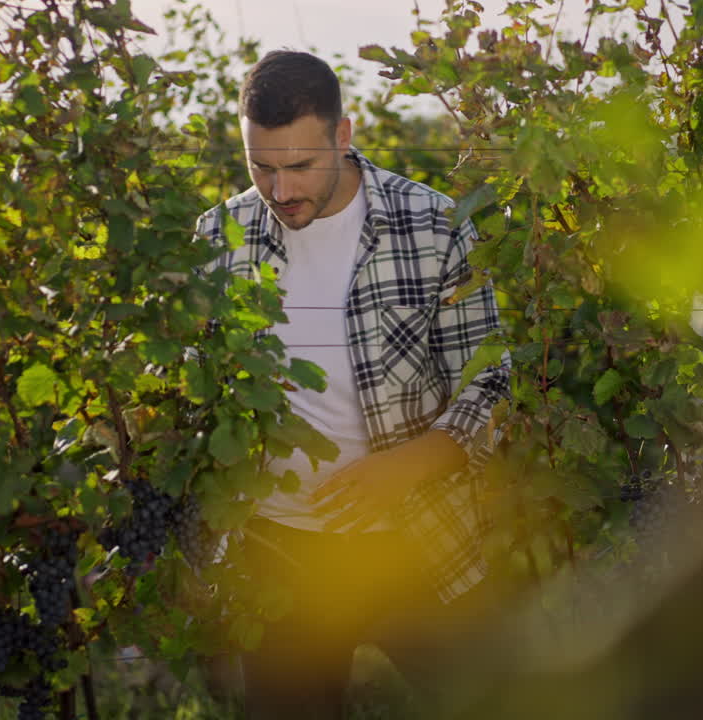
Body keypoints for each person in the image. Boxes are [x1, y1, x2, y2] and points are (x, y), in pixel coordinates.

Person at [193, 49, 510, 719]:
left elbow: (489, 382)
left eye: (300, 166)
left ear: (344, 134)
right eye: (261, 168)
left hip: (419, 541)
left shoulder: (433, 225)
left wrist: (407, 467)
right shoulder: (219, 239)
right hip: (278, 558)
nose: (280, 193)